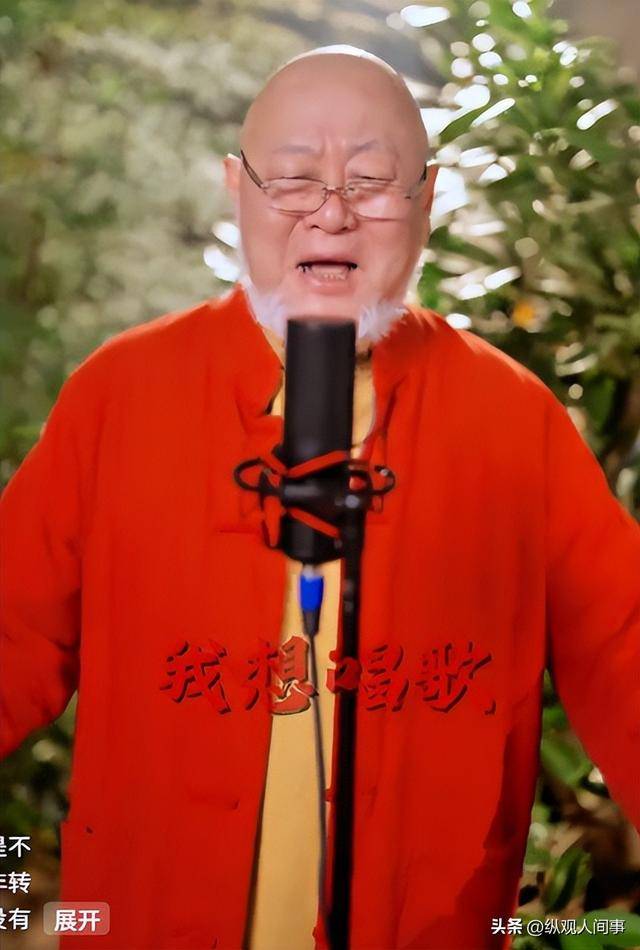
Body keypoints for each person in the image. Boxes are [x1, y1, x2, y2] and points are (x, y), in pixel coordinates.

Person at [1, 44, 639, 950]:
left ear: (427, 198)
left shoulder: (512, 418)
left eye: (371, 181)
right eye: (295, 178)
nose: (332, 212)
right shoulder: (123, 393)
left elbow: (625, 651)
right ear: (238, 189)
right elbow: (11, 630)